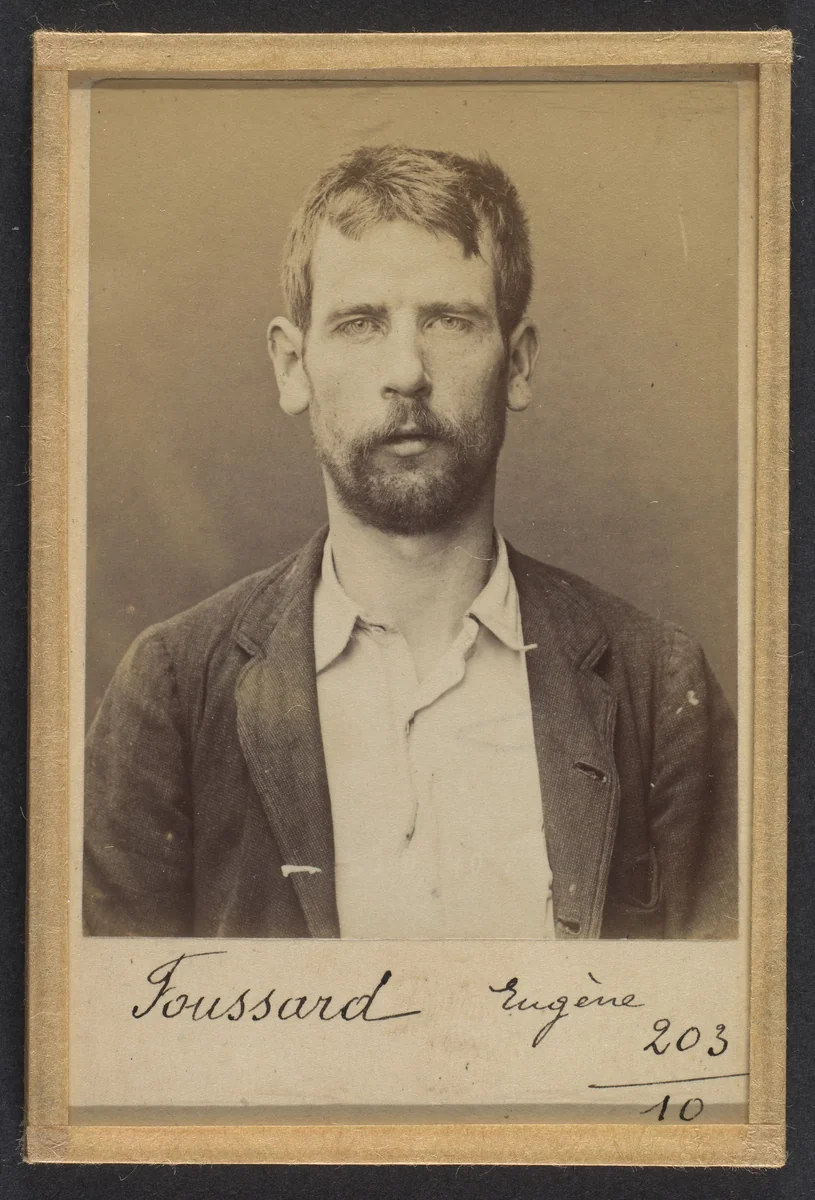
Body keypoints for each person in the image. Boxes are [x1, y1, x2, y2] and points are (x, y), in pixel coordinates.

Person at [83, 144, 738, 941]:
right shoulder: (173, 690)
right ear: (293, 366)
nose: (406, 370)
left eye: (449, 320)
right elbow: (115, 1040)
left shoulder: (656, 685)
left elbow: (719, 1032)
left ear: (518, 364)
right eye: (359, 324)